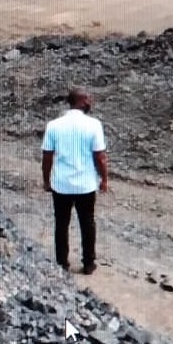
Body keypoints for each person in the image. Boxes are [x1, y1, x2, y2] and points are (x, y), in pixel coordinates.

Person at [41, 87, 110, 275]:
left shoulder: (54, 125)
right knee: (87, 223)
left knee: (61, 223)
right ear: (80, 101)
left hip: (61, 184)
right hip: (85, 184)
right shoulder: (94, 125)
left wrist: (46, 180)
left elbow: (47, 156)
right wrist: (104, 178)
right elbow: (100, 157)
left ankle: (62, 263)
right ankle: (88, 263)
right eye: (88, 99)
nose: (90, 102)